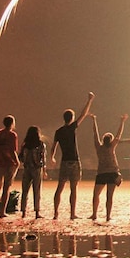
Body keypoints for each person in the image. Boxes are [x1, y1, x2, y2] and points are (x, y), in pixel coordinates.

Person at [51, 91, 95, 220]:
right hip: (74, 161)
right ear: (71, 118)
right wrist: (90, 100)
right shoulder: (72, 128)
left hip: (64, 161)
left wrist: (52, 157)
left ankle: (56, 213)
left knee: (60, 187)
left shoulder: (58, 131)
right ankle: (72, 213)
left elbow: (54, 146)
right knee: (73, 189)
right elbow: (83, 114)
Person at [90, 113, 127, 222]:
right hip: (112, 173)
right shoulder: (111, 146)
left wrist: (94, 120)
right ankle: (107, 216)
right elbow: (118, 135)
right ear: (110, 140)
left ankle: (94, 214)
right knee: (109, 196)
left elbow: (95, 134)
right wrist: (122, 122)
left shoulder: (99, 147)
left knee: (96, 195)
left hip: (102, 173)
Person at [19, 125, 46, 219]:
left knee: (25, 191)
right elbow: (43, 158)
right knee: (37, 191)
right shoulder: (40, 144)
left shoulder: (25, 144)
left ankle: (23, 212)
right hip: (37, 169)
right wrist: (45, 170)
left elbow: (21, 157)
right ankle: (37, 212)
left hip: (26, 169)